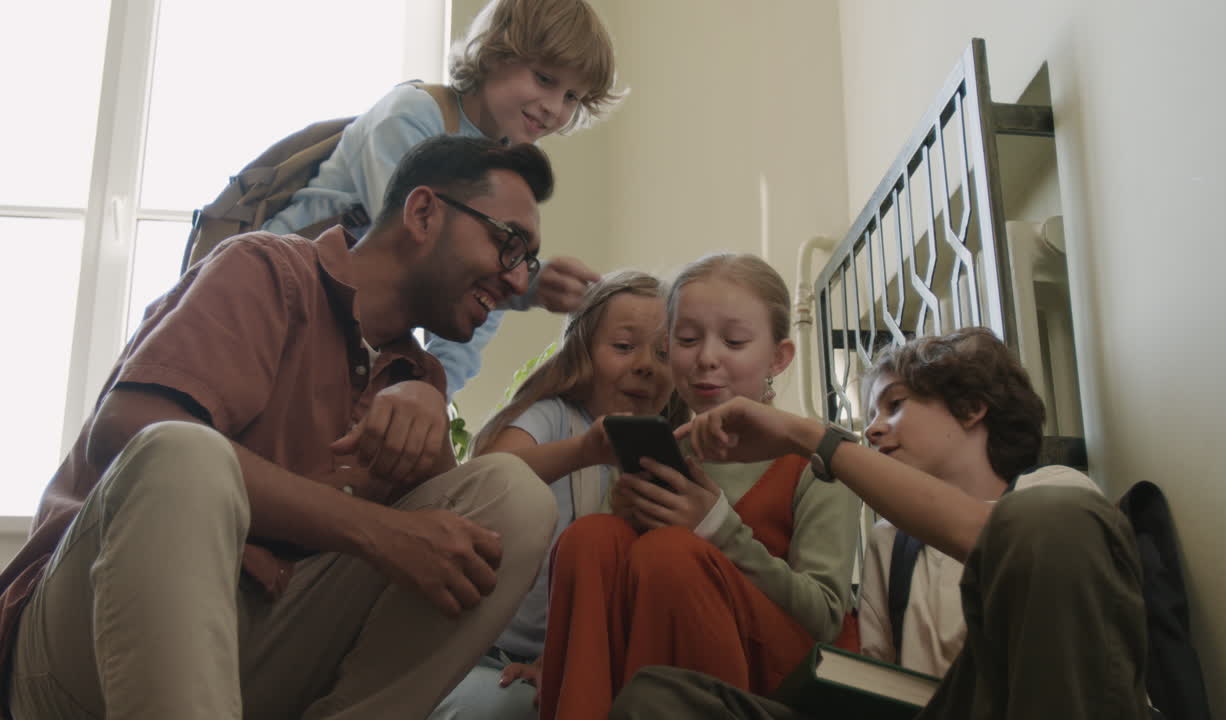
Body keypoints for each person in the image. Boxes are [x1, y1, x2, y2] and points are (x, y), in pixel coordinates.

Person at [0, 136, 565, 720]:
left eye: (529, 262)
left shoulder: (417, 377)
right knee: (183, 452)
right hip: (87, 644)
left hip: (259, 656)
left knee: (512, 501)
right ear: (423, 213)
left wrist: (427, 403)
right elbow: (127, 429)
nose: (519, 281)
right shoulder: (264, 269)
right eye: (510, 244)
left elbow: (435, 555)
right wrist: (376, 530)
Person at [610, 327, 1151, 720]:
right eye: (866, 417)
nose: (872, 431)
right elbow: (880, 691)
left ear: (972, 408)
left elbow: (999, 538)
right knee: (662, 698)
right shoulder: (890, 544)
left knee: (1050, 523)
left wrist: (810, 439)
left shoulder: (1054, 493)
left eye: (894, 405)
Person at [537, 253, 861, 720]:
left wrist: (715, 527)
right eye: (687, 340)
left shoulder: (815, 460)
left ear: (779, 357)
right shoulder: (660, 452)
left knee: (670, 551)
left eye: (733, 341)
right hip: (655, 654)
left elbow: (826, 618)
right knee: (591, 538)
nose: (707, 358)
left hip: (776, 674)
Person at [264, 0, 624, 400]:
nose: (555, 108)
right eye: (544, 79)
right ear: (495, 50)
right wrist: (527, 284)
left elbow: (472, 298)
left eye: (573, 97)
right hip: (280, 304)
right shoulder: (409, 116)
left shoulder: (501, 173)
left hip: (344, 329)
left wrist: (433, 391)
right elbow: (428, 259)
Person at [429, 269, 679, 720]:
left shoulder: (669, 459)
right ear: (583, 352)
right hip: (480, 655)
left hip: (581, 660)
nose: (645, 364)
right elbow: (494, 474)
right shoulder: (555, 418)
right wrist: (584, 452)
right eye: (624, 347)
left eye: (664, 353)